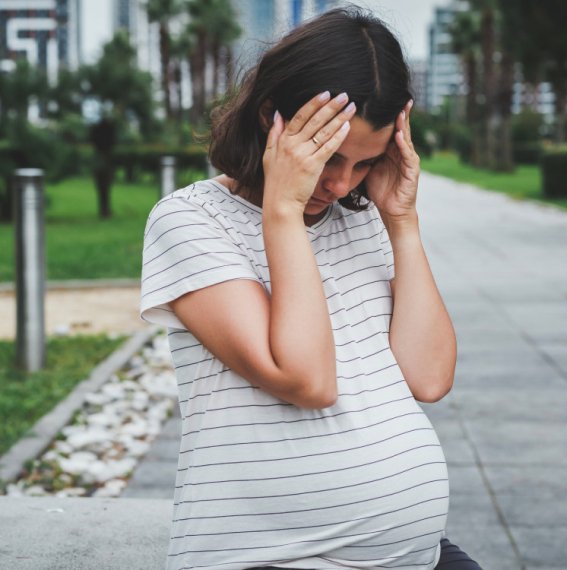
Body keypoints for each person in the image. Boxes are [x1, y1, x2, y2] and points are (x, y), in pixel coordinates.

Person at [140, 5, 483, 570]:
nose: (342, 183)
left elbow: (429, 377)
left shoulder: (362, 218)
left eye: (364, 163)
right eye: (330, 156)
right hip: (273, 558)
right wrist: (282, 210)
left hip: (415, 556)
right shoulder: (190, 221)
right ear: (272, 117)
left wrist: (401, 221)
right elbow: (307, 380)